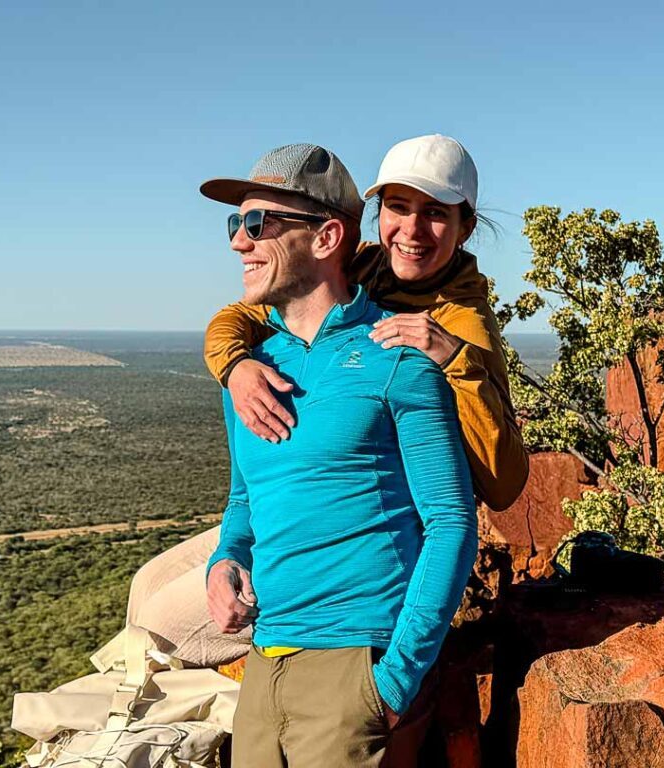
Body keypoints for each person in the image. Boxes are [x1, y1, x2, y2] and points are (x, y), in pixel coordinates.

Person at [200, 142, 478, 768]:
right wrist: (225, 561)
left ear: (327, 237)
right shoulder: (250, 371)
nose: (239, 243)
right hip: (263, 663)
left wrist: (392, 682)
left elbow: (451, 522)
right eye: (234, 224)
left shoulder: (399, 359)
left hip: (355, 665)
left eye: (257, 224)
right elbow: (246, 499)